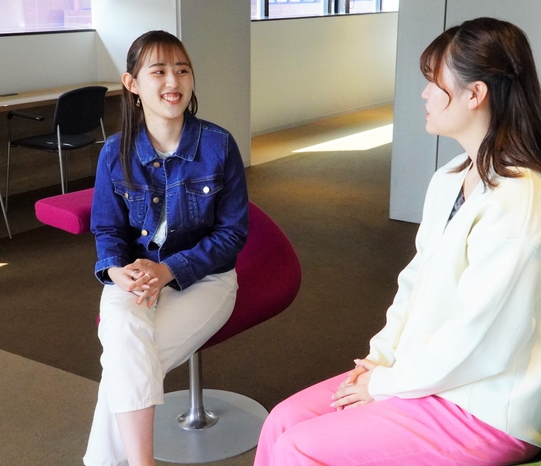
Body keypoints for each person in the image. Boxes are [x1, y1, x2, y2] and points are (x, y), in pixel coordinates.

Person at [254, 17, 541, 465]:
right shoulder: (450, 178)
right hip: (426, 375)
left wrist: (387, 383)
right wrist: (379, 360)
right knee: (282, 421)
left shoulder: (518, 199)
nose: (424, 94)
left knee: (298, 448)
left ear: (475, 94)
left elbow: (480, 339)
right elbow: (414, 285)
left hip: (486, 405)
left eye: (434, 82)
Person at [82, 30, 248, 466]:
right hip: (133, 276)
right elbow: (107, 229)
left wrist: (170, 269)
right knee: (126, 346)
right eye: (158, 71)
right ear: (132, 83)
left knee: (124, 364)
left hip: (206, 279)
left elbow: (232, 234)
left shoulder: (218, 145)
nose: (173, 82)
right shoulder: (114, 153)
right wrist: (115, 271)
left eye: (182, 70)